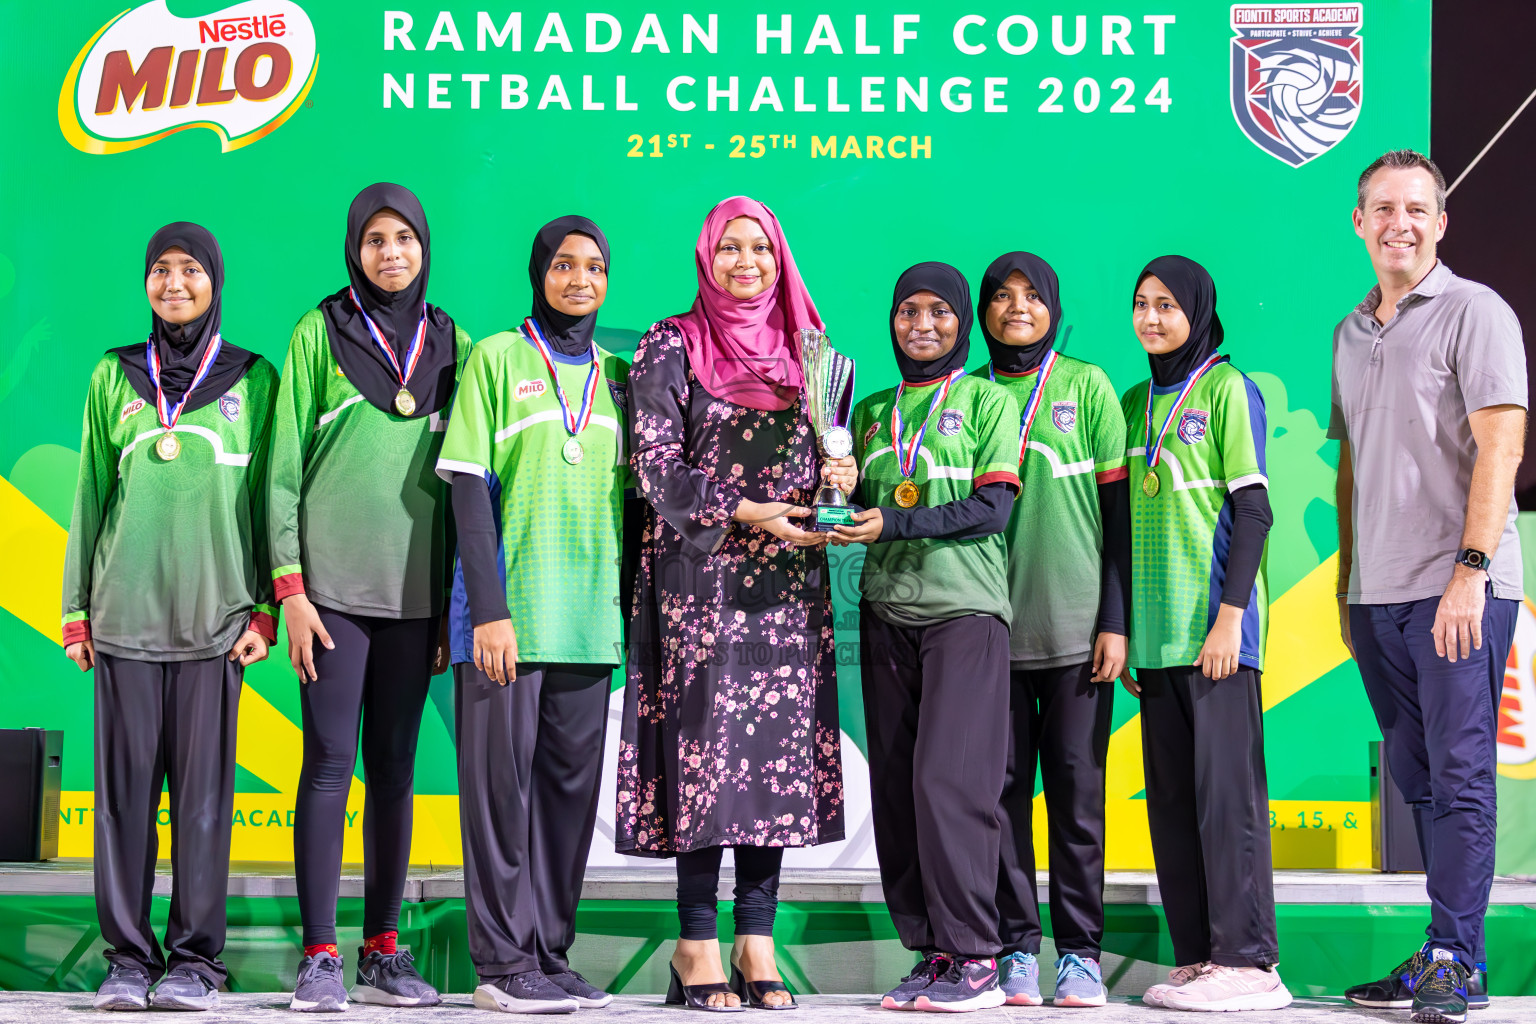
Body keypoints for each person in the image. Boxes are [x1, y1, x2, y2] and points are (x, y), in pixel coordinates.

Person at [616, 196, 848, 1012]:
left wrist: (838, 488)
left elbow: (829, 466)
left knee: (772, 765)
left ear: (780, 258)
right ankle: (694, 943)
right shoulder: (669, 344)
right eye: (729, 248)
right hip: (696, 582)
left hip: (785, 586)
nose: (745, 262)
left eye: (760, 248)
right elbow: (654, 467)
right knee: (704, 758)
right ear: (706, 257)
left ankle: (756, 939)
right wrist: (749, 512)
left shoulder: (811, 354)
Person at [62, 223, 277, 1013]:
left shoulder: (255, 379)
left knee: (202, 805)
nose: (175, 283)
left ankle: (194, 961)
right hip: (122, 622)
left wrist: (265, 608)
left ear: (215, 280)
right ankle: (126, 958)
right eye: (161, 270)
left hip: (217, 627)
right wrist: (76, 611)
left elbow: (265, 507)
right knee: (121, 804)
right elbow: (89, 495)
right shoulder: (113, 377)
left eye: (190, 269)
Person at [268, 183, 470, 1013]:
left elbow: (467, 485)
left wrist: (451, 608)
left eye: (406, 239)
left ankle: (384, 951)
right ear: (355, 248)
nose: (392, 253)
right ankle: (318, 956)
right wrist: (291, 591)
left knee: (394, 773)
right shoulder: (319, 332)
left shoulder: (451, 339)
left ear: (424, 247)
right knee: (327, 766)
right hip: (333, 599)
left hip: (415, 599)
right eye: (376, 240)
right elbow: (280, 471)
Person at [1334, 150, 1525, 1024]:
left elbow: (1502, 448)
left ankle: (1460, 956)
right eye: (1383, 208)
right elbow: (1353, 473)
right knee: (1417, 776)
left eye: (1417, 208)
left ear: (1441, 223)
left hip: (1460, 589)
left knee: (1458, 772)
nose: (1399, 223)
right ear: (1359, 223)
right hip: (1377, 595)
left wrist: (1470, 574)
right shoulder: (1351, 330)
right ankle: (1446, 947)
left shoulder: (1476, 312)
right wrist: (1347, 580)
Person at [437, 216, 628, 1014]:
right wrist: (488, 610)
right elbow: (468, 491)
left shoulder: (621, 374)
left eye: (593, 267)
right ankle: (500, 961)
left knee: (565, 803)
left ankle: (548, 952)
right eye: (562, 265)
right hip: (505, 620)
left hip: (590, 621)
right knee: (498, 798)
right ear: (537, 272)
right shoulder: (495, 359)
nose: (578, 280)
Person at [834, 262, 1020, 1013]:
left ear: (961, 321)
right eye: (908, 311)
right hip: (886, 614)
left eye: (939, 312)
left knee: (952, 784)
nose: (922, 325)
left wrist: (896, 521)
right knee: (899, 792)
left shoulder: (985, 400)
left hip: (966, 615)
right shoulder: (872, 411)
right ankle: (931, 951)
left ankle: (977, 954)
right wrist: (837, 493)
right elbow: (858, 505)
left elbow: (992, 508)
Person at [1118, 255, 1288, 1013]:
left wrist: (1231, 617)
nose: (1152, 318)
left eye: (1166, 306)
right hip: (1156, 645)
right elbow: (1120, 529)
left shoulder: (1226, 389)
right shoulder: (1131, 404)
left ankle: (1251, 962)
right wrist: (1121, 631)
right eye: (1141, 304)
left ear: (1197, 311)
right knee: (1175, 805)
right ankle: (1198, 956)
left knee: (1228, 803)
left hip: (1217, 636)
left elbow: (1253, 511)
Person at [971, 253, 1129, 1008]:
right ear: (983, 311)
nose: (1017, 308)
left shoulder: (1086, 386)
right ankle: (1014, 950)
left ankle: (1081, 955)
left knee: (1076, 797)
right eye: (1001, 297)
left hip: (1077, 638)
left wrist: (1116, 620)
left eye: (1031, 296)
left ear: (1053, 305)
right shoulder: (965, 395)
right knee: (999, 799)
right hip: (989, 638)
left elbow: (1120, 519)